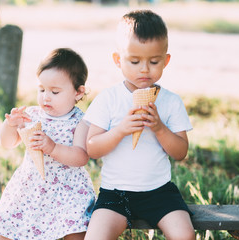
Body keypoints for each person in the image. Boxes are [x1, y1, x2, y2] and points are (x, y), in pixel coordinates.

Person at [83, 10, 195, 240]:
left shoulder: (171, 102)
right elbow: (92, 148)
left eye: (154, 61)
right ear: (118, 60)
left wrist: (160, 128)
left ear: (166, 60)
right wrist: (121, 129)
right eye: (134, 61)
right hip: (115, 193)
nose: (144, 69)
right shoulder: (109, 99)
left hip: (160, 193)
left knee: (185, 235)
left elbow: (181, 152)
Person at [0, 48, 96, 240]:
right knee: (8, 228)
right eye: (41, 89)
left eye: (55, 91)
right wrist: (10, 125)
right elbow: (7, 143)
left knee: (76, 230)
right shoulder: (32, 115)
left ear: (78, 93)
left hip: (67, 192)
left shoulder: (80, 121)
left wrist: (53, 148)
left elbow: (81, 156)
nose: (46, 97)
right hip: (31, 189)